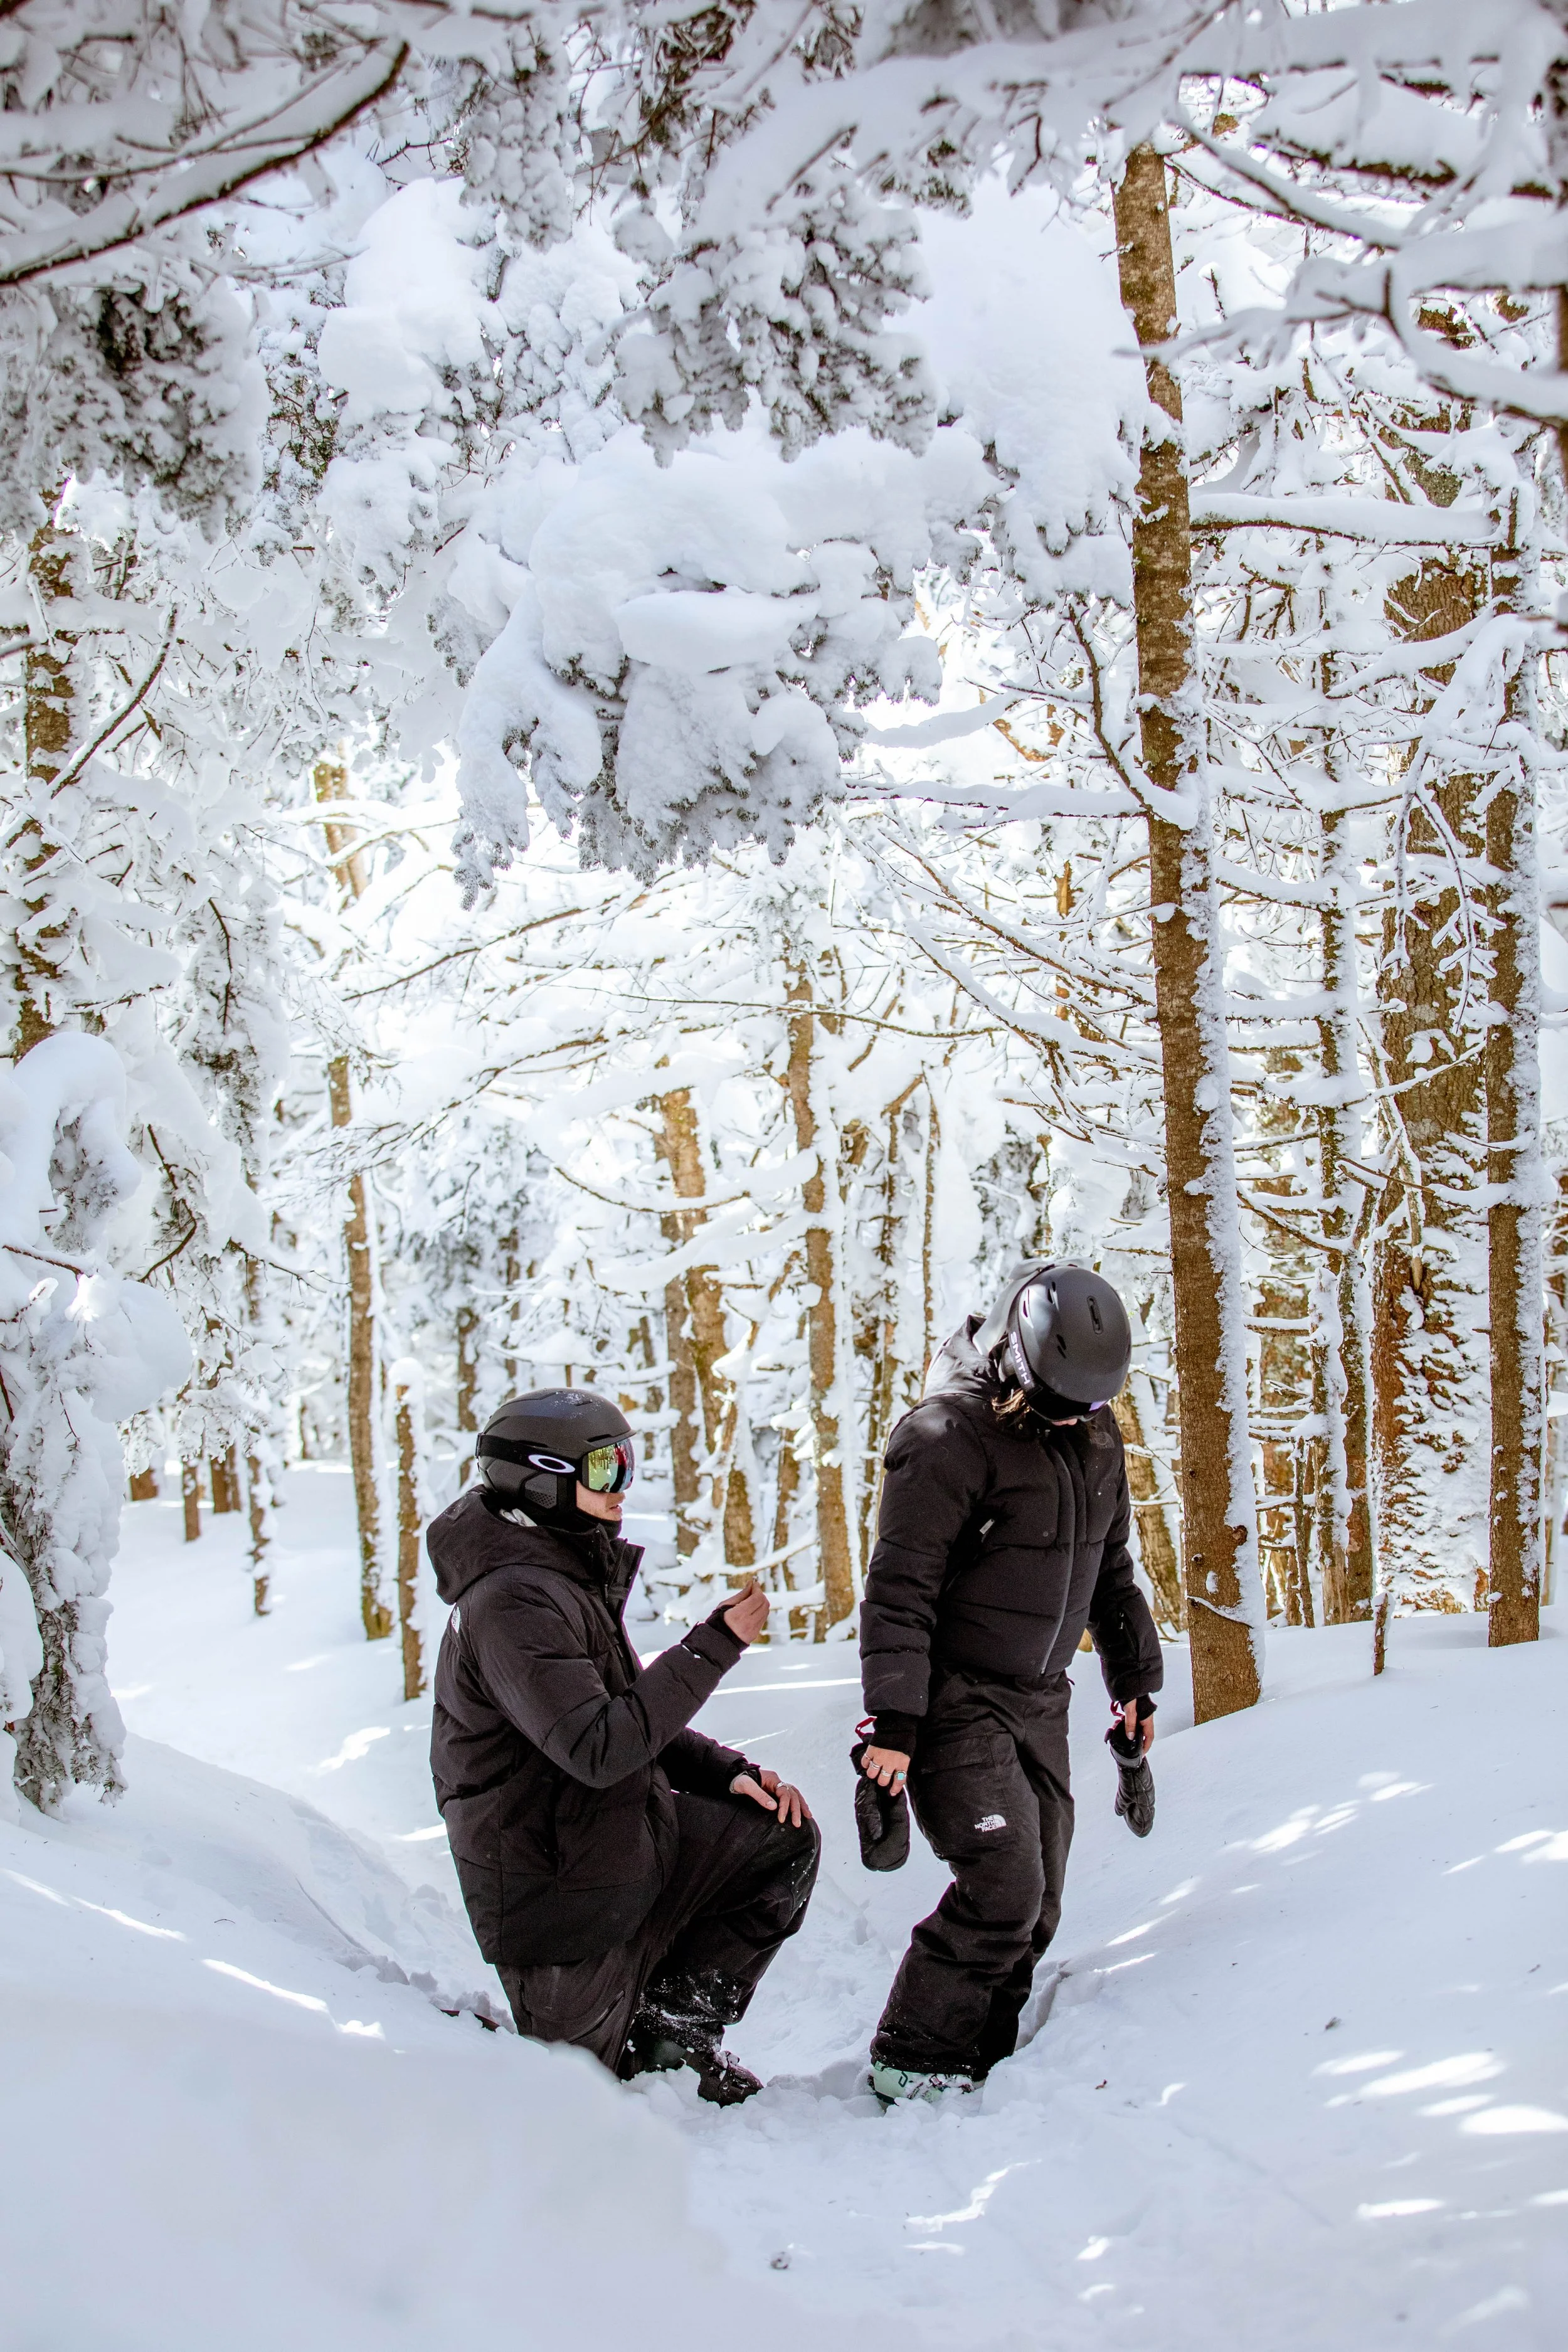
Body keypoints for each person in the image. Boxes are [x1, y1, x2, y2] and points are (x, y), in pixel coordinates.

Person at [428, 1387, 819, 2105]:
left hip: (611, 1850)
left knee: (780, 1836)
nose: (622, 1487)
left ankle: (673, 2037)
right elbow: (599, 1746)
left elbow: (620, 1705)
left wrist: (727, 1772)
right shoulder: (512, 1602)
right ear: (542, 1479)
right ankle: (604, 2037)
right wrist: (714, 1647)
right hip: (562, 1909)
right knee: (585, 2085)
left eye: (626, 1463)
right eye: (604, 1470)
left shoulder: (554, 1576)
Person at [858, 1262, 1163, 2103]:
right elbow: (900, 1586)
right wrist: (894, 1719)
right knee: (1003, 1882)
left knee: (1044, 1896)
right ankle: (911, 2056)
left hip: (1041, 1696)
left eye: (1093, 1405)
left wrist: (1134, 1682)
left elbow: (1110, 1570)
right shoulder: (944, 1436)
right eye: (1066, 1402)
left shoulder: (1095, 1436)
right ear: (1023, 1358)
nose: (1081, 1420)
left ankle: (982, 2056)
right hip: (955, 1699)